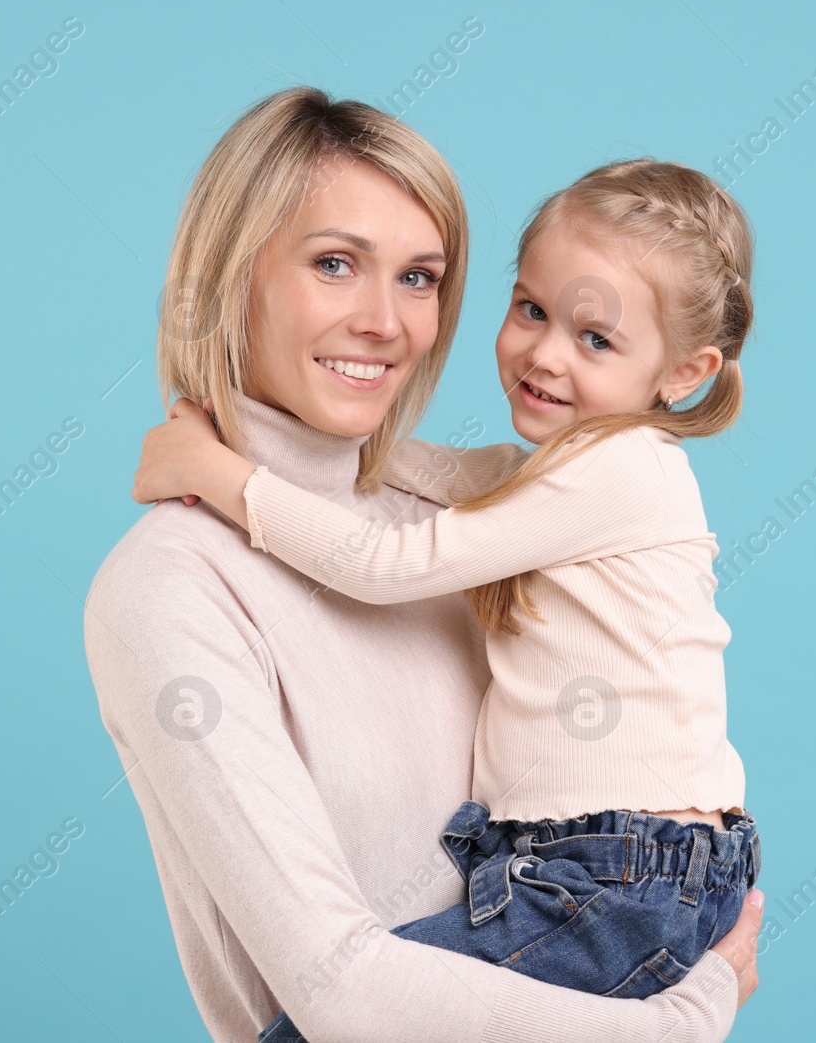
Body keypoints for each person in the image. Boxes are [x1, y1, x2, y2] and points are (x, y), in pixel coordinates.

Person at [87, 86, 762, 1043]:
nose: (386, 321)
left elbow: (387, 517)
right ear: (226, 279)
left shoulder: (469, 530)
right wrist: (690, 1016)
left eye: (419, 277)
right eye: (334, 264)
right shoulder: (172, 587)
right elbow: (346, 994)